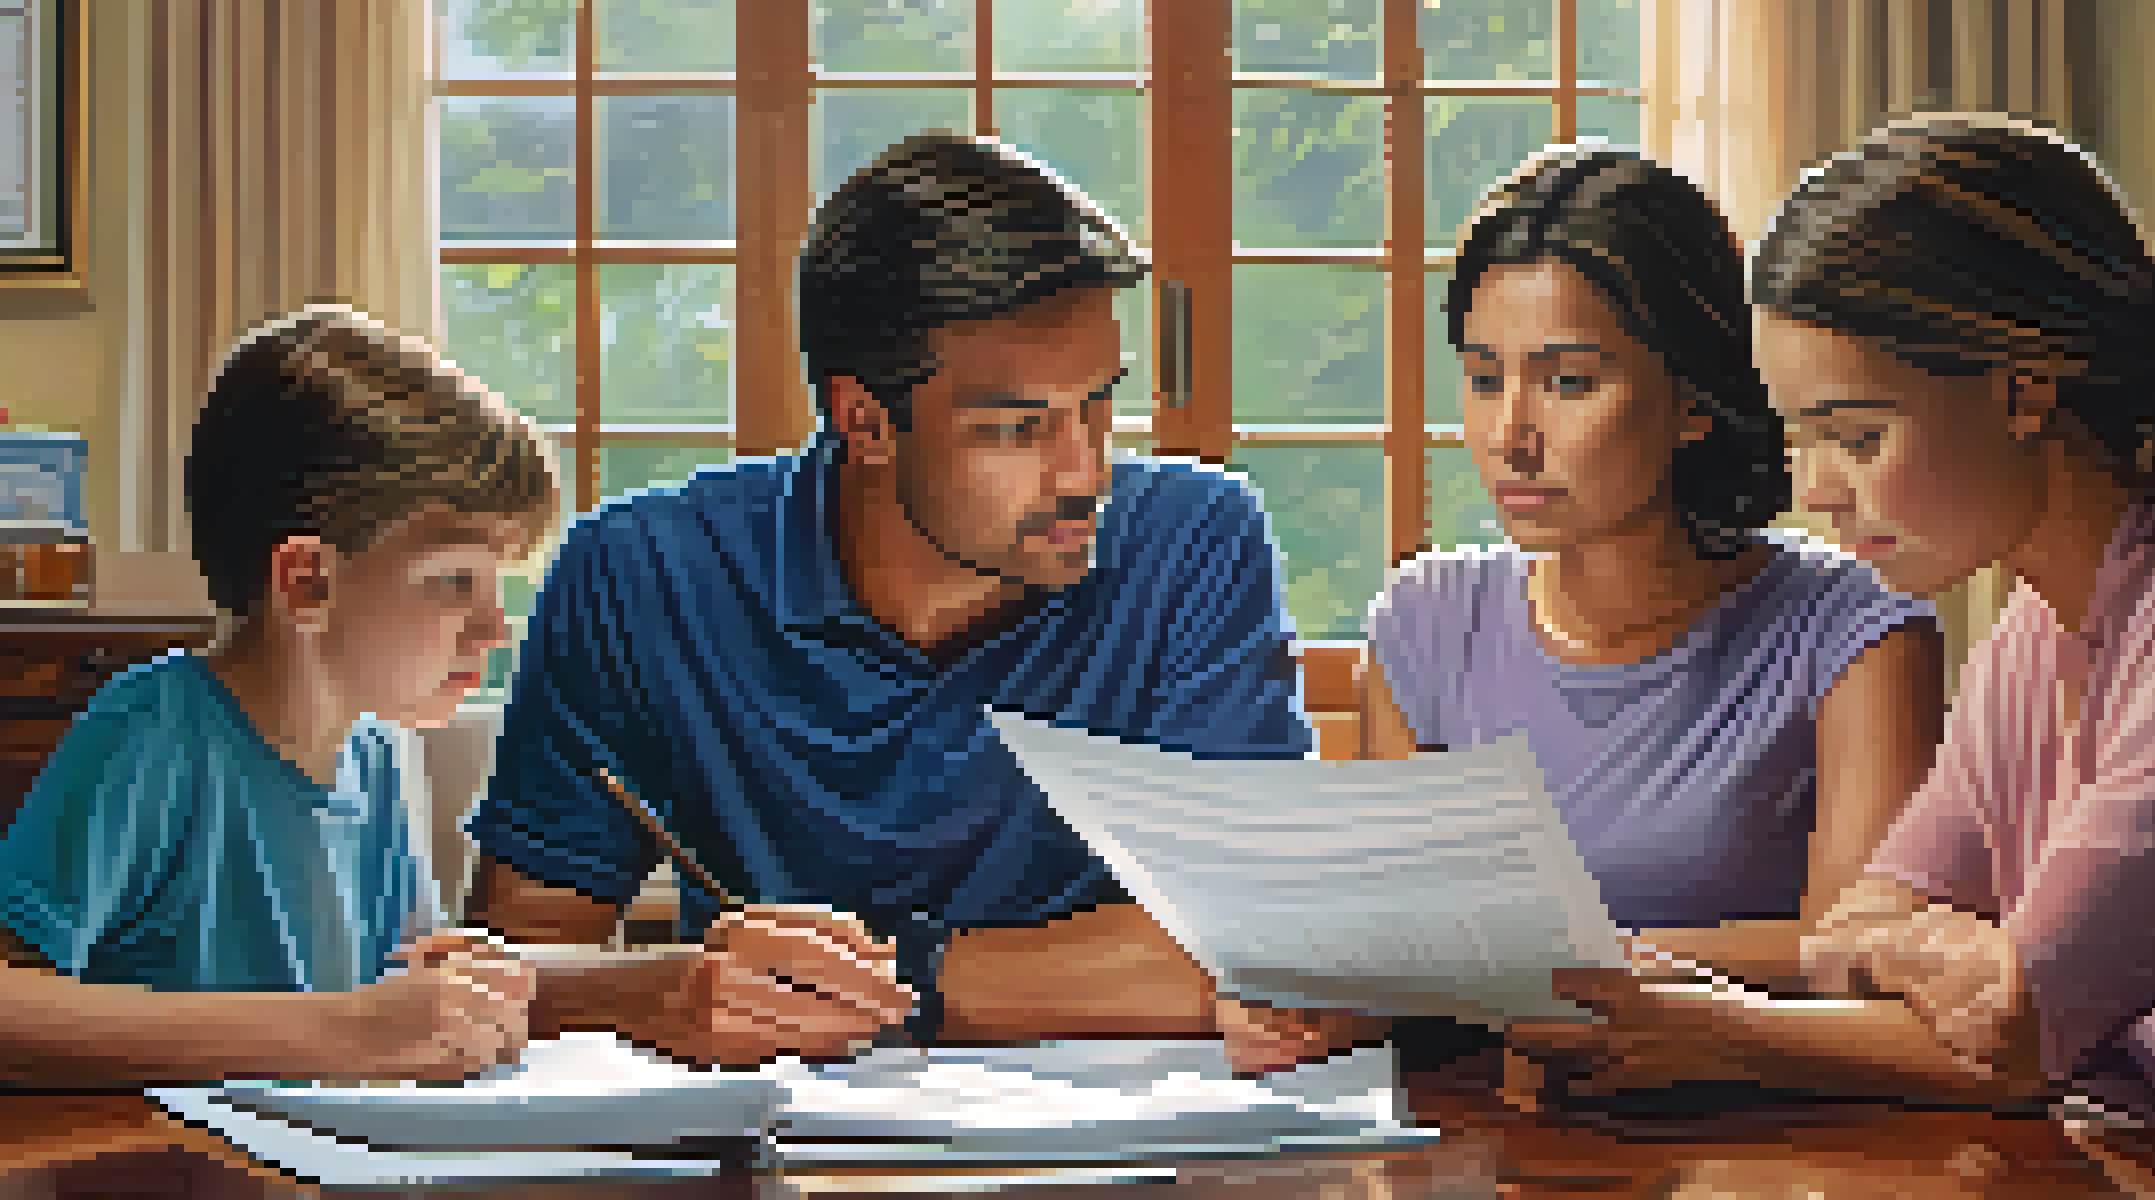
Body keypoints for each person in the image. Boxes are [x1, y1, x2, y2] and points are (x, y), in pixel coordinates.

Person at [1532, 115, 2155, 1184]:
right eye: (1802, 438)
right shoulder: (2034, 634)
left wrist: (1710, 1030)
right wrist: (1944, 958)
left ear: (2020, 390)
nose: (1817, 491)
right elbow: (1858, 929)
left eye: (1857, 435)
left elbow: (2009, 1043)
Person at [465, 133, 1315, 1046]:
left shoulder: (1195, 541)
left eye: (1098, 404)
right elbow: (513, 964)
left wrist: (895, 977)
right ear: (865, 422)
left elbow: (1259, 947)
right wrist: (669, 993)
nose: (1086, 472)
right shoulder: (639, 573)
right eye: (1018, 429)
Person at [0, 307, 908, 1083]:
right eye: (452, 581)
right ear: (306, 581)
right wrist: (346, 1031)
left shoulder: (379, 753)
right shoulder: (152, 738)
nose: (493, 629)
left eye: (496, 585)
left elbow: (409, 988)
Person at [1217, 145, 1946, 1079]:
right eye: (1485, 379)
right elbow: (1408, 955)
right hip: (1489, 1131)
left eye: (1568, 383)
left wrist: (1575, 972)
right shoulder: (1425, 623)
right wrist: (1325, 1006)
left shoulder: (1855, 633)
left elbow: (1857, 955)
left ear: (1693, 399)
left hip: (1759, 1141)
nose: (1510, 435)